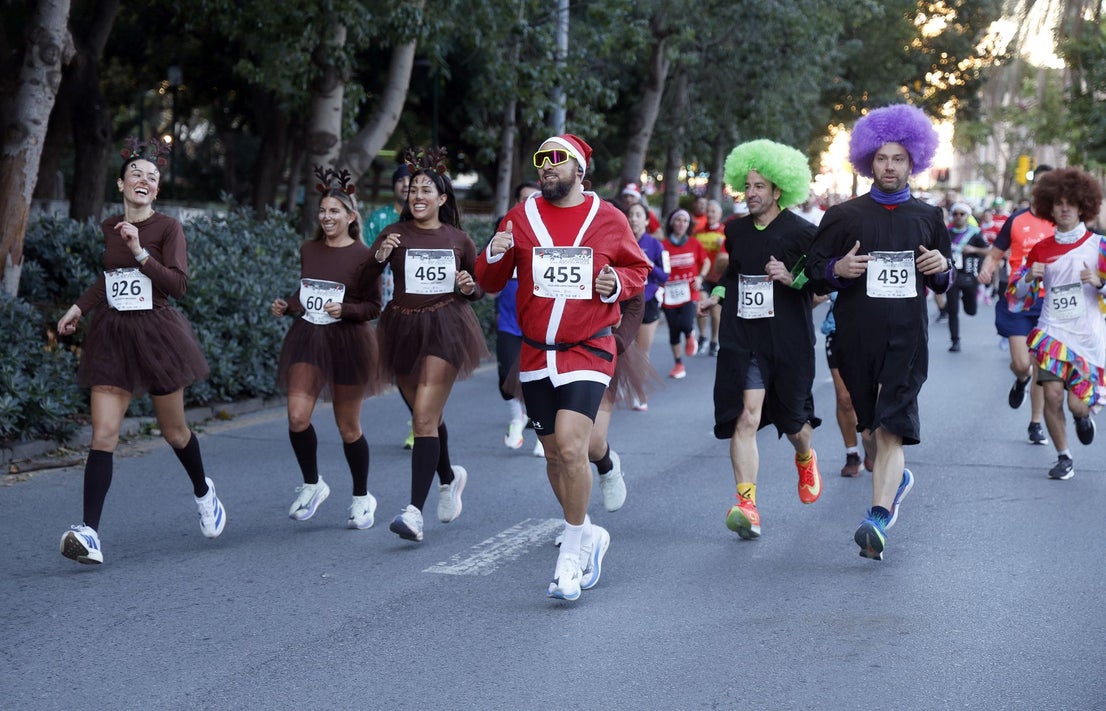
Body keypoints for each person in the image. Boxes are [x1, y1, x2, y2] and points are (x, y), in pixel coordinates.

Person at [475, 133, 649, 601]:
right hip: (536, 352)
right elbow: (489, 280)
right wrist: (494, 251)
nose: (548, 166)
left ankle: (570, 555)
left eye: (558, 159)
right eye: (541, 159)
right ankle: (588, 531)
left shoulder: (608, 218)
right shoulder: (520, 217)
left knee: (573, 448)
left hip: (589, 347)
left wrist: (616, 281)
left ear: (580, 169)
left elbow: (638, 270)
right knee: (553, 456)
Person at [56, 137, 225, 565]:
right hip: (112, 333)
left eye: (152, 177)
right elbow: (109, 278)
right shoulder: (110, 225)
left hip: (157, 333)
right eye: (137, 174)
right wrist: (78, 307)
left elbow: (178, 286)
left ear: (157, 191)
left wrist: (139, 252)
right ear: (121, 184)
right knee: (103, 434)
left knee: (174, 432)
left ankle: (205, 493)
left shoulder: (167, 228)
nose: (144, 180)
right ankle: (89, 532)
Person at [805, 104, 953, 561]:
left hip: (907, 336)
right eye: (883, 158)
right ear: (870, 160)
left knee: (892, 427)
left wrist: (942, 267)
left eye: (900, 159)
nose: (890, 166)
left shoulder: (928, 217)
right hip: (856, 335)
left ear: (914, 163)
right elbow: (811, 271)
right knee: (869, 426)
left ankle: (877, 517)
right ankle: (895, 481)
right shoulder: (844, 215)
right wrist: (837, 268)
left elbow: (945, 276)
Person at [697, 139, 822, 540]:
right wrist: (714, 296)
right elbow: (734, 273)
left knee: (794, 423)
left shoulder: (803, 233)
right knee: (746, 417)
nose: (750, 194)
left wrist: (791, 277)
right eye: (746, 186)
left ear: (779, 189)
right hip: (744, 335)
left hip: (787, 338)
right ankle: (746, 504)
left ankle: (804, 456)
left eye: (759, 187)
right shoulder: (735, 230)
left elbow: (822, 285)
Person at [368, 147, 487, 543]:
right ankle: (449, 479)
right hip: (400, 328)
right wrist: (377, 258)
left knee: (422, 419)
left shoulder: (459, 239)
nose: (418, 195)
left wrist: (470, 288)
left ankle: (413, 513)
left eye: (426, 189)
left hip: (445, 328)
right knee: (428, 418)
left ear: (442, 199)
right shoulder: (393, 234)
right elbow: (364, 277)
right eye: (413, 189)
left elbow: (475, 287)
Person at [270, 166, 384, 529]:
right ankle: (312, 484)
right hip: (308, 336)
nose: (326, 216)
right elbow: (306, 293)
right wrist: (288, 305)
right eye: (322, 211)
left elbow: (373, 306)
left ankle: (363, 497)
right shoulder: (310, 248)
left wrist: (346, 309)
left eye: (335, 211)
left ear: (351, 217)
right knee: (296, 416)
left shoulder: (365, 255)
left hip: (348, 341)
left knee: (348, 426)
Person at [1008, 167, 1106, 480]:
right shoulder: (1041, 249)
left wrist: (1100, 282)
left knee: (1078, 405)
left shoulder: (1099, 246)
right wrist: (1027, 277)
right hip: (1051, 331)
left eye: (1071, 203)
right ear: (1050, 207)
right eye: (1058, 203)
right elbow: (1017, 298)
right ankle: (1064, 455)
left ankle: (1082, 418)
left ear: (1082, 207)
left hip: (1087, 336)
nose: (1064, 208)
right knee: (1051, 394)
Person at [978, 166, 1054, 446]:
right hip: (1019, 299)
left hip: (1050, 301)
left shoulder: (1061, 221)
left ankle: (1035, 423)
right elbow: (995, 253)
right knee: (1023, 364)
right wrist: (987, 269)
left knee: (1040, 364)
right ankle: (1021, 380)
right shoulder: (1017, 220)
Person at [364, 164, 415, 450]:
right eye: (401, 181)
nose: (406, 185)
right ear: (393, 186)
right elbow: (368, 260)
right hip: (388, 307)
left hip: (423, 306)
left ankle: (424, 421)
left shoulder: (423, 219)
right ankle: (419, 419)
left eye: (412, 180)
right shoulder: (380, 219)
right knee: (402, 369)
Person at [494, 181, 540, 450]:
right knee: (505, 377)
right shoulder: (505, 228)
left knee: (539, 381)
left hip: (540, 321)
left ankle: (544, 436)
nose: (527, 203)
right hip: (510, 319)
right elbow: (488, 267)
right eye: (523, 198)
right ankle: (517, 416)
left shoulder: (550, 232)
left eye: (533, 198)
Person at [817, 291, 868, 477]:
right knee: (845, 398)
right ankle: (852, 454)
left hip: (872, 330)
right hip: (837, 330)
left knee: (871, 395)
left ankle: (870, 441)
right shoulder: (833, 260)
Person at [625, 199, 668, 411]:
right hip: (623, 301)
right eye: (630, 214)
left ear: (646, 220)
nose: (633, 219)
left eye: (638, 215)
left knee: (642, 350)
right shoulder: (619, 240)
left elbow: (665, 275)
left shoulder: (655, 245)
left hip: (647, 300)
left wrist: (648, 263)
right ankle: (627, 382)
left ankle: (639, 392)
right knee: (624, 348)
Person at [661, 208, 709, 378]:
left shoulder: (694, 243)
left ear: (689, 225)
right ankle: (678, 364)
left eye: (685, 221)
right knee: (674, 330)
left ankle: (690, 334)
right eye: (678, 220)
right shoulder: (663, 245)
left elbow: (706, 262)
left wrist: (701, 278)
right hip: (669, 294)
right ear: (672, 223)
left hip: (689, 292)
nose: (681, 224)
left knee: (686, 324)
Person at [944, 202, 990, 352]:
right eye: (955, 214)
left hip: (969, 275)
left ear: (967, 216)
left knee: (971, 311)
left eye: (962, 214)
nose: (958, 217)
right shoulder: (946, 232)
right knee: (952, 310)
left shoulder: (975, 233)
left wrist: (973, 249)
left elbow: (988, 251)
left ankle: (966, 299)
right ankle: (955, 341)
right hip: (952, 276)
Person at [695, 199, 728, 356]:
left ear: (720, 214)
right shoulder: (699, 232)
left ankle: (714, 340)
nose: (710, 214)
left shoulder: (725, 232)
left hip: (719, 279)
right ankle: (702, 336)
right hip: (702, 277)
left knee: (716, 313)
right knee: (701, 306)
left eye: (713, 211)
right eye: (708, 211)